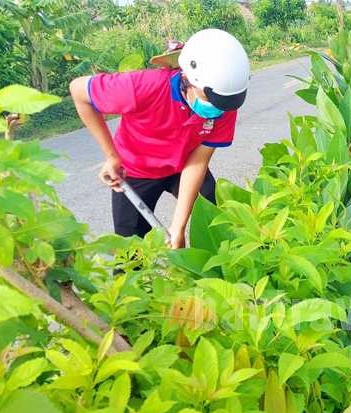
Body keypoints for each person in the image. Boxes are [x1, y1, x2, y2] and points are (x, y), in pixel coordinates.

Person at [69, 29, 250, 249]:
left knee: (218, 221)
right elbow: (78, 90)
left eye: (221, 103)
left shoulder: (224, 103)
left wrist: (178, 226)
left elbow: (198, 162)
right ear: (186, 77)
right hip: (136, 170)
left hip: (184, 164)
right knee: (132, 254)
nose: (214, 109)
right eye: (207, 98)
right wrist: (110, 156)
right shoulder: (141, 87)